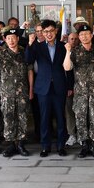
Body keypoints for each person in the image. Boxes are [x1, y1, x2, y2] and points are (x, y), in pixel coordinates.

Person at [0, 28, 33, 157]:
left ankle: (21, 144)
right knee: (8, 118)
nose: (11, 40)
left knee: (22, 118)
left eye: (13, 37)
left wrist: (31, 89)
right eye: (8, 38)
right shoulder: (1, 52)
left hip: (22, 92)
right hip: (6, 92)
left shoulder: (23, 52)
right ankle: (11, 145)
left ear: (17, 38)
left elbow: (29, 71)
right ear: (5, 39)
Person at [26, 19, 69, 157]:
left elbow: (68, 70)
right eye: (45, 32)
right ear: (42, 33)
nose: (49, 34)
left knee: (60, 118)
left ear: (56, 31)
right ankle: (45, 146)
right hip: (43, 88)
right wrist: (30, 44)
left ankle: (61, 146)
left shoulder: (63, 46)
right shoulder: (37, 47)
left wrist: (69, 86)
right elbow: (28, 60)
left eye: (51, 31)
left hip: (59, 87)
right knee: (44, 118)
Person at [63, 24, 94, 158]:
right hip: (80, 92)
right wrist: (68, 51)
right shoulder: (75, 51)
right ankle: (84, 145)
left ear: (91, 35)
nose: (84, 36)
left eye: (87, 34)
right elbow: (67, 67)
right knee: (81, 118)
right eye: (81, 35)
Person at [65, 31, 79, 147]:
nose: (73, 41)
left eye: (75, 38)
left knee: (81, 111)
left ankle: (81, 134)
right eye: (71, 39)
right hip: (69, 87)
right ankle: (71, 134)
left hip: (81, 88)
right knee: (69, 112)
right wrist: (69, 87)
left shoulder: (82, 51)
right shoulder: (65, 52)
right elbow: (66, 71)